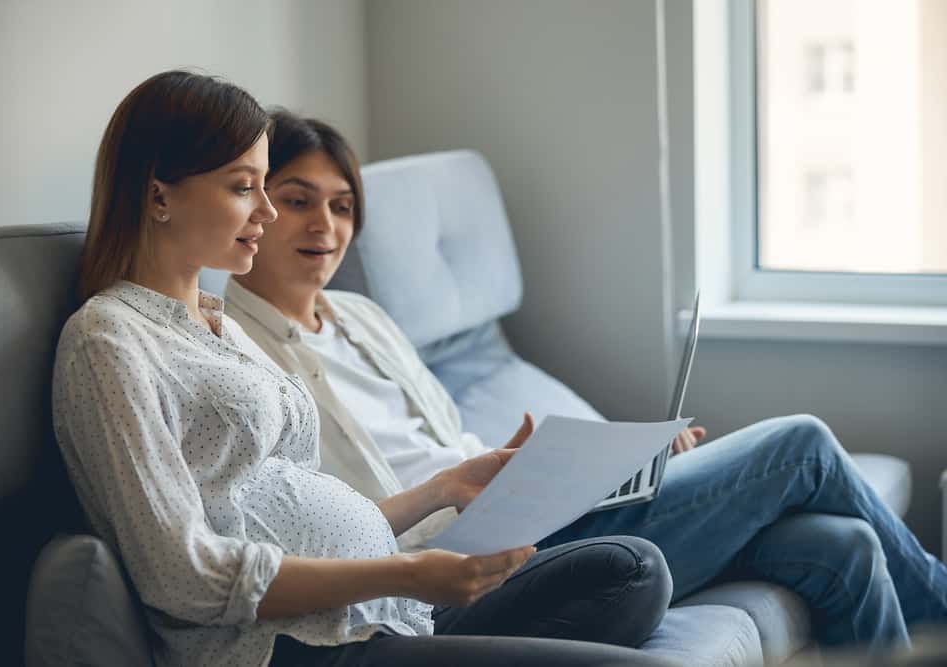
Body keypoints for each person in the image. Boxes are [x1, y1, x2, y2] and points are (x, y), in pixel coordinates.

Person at [227, 108, 947, 655]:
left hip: (523, 514)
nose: (325, 222)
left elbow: (448, 442)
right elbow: (318, 524)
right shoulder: (239, 354)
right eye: (298, 199)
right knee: (801, 445)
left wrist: (561, 465)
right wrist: (462, 494)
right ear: (255, 209)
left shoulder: (363, 318)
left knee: (839, 545)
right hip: (445, 568)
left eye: (343, 204)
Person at [51, 71, 676, 667]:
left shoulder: (217, 324)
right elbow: (179, 575)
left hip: (376, 609)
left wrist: (442, 490)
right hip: (288, 648)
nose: (265, 212)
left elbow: (288, 504)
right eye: (246, 187)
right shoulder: (108, 339)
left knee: (629, 569)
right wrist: (406, 571)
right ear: (159, 194)